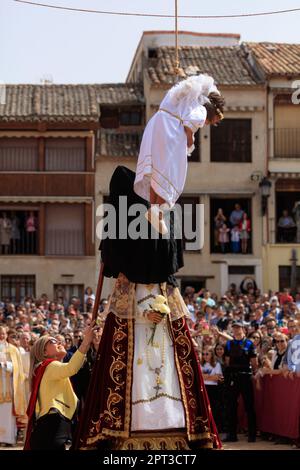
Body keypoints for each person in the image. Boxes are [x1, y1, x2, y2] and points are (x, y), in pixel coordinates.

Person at [134, 74, 225, 234]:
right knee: (172, 173)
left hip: (156, 126)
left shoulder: (181, 102)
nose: (208, 124)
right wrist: (190, 140)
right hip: (171, 133)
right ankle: (158, 212)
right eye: (212, 121)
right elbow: (190, 123)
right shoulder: (201, 109)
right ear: (212, 112)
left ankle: (154, 210)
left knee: (158, 171)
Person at [24, 323, 96, 450]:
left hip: (50, 426)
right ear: (44, 352)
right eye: (52, 341)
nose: (58, 341)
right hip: (52, 425)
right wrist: (86, 341)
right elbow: (72, 367)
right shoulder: (50, 366)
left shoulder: (46, 367)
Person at [223, 321, 258, 443]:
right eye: (234, 328)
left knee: (249, 406)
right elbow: (227, 361)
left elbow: (254, 361)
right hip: (233, 378)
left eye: (238, 327)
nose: (236, 330)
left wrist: (254, 373)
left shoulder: (249, 343)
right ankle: (232, 435)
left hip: (246, 377)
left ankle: (252, 435)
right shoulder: (229, 343)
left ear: (243, 329)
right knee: (231, 406)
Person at [0, 325, 26, 446]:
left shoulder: (13, 350)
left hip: (9, 387)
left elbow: (18, 368)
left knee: (8, 414)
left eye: (3, 333)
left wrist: (7, 365)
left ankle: (8, 439)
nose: (1, 335)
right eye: (0, 333)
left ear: (7, 334)